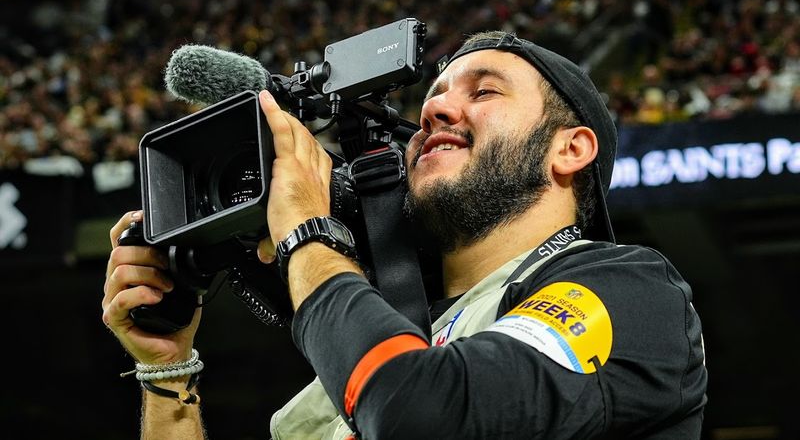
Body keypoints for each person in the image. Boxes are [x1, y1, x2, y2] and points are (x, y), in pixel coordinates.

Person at [102, 31, 707, 439]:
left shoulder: (628, 289)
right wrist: (168, 373)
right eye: (433, 97)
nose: (435, 112)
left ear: (569, 149)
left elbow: (419, 411)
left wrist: (308, 232)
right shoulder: (388, 332)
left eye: (484, 91)